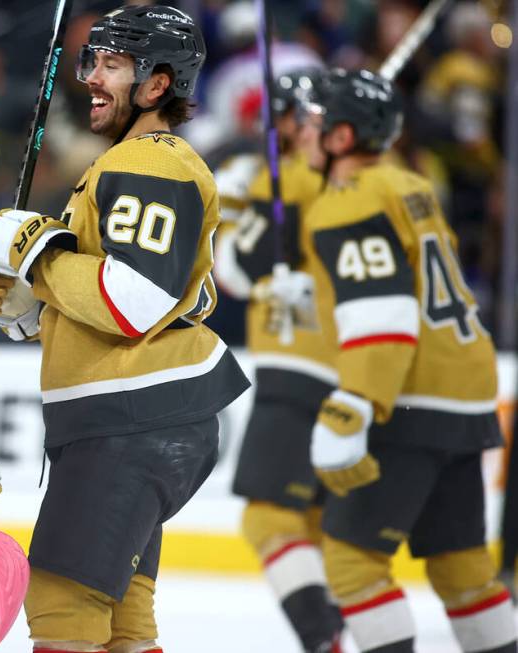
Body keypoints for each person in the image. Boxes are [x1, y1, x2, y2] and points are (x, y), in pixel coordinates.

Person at [0, 7, 249, 653]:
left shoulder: (149, 162)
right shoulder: (131, 163)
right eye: (91, 61)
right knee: (122, 621)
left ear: (156, 86)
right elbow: (122, 298)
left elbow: (136, 301)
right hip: (140, 415)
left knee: (62, 606)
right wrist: (28, 303)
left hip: (133, 419)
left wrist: (38, 258)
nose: (92, 77)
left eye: (113, 65)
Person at [296, 68, 517, 653]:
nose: (300, 133)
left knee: (352, 564)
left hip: (409, 397)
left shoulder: (349, 200)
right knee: (462, 569)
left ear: (343, 139)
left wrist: (353, 406)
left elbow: (383, 313)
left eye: (314, 123)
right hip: (465, 390)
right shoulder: (405, 182)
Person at [213, 69, 345, 653]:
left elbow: (234, 271)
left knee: (267, 521)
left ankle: (325, 640)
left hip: (298, 366)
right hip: (352, 369)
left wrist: (239, 203)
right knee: (315, 527)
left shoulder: (283, 179)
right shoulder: (360, 180)